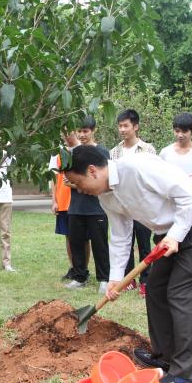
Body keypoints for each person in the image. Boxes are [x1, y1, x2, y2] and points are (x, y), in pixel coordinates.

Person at [62, 145, 192, 383]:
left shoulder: (137, 167)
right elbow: (120, 234)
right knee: (156, 289)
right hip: (167, 234)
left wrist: (177, 235)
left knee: (182, 294)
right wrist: (116, 278)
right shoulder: (105, 195)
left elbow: (188, 193)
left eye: (77, 182)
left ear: (92, 171)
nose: (78, 189)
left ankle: (185, 374)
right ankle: (165, 357)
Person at [109, 109, 157, 297]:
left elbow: (153, 175)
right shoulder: (115, 152)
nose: (122, 129)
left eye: (126, 126)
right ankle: (128, 280)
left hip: (143, 204)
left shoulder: (148, 149)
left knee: (144, 243)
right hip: (122, 203)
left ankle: (146, 280)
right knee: (124, 242)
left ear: (135, 127)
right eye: (120, 126)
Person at [63, 116, 110, 293]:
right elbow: (67, 179)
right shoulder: (72, 153)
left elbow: (103, 178)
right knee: (76, 242)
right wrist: (78, 183)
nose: (82, 135)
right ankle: (79, 276)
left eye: (86, 131)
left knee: (100, 244)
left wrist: (80, 183)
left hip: (97, 207)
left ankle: (104, 279)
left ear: (93, 131)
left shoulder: (102, 152)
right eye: (79, 131)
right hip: (76, 206)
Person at [49, 128, 80, 280]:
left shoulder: (82, 150)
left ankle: (83, 269)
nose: (65, 136)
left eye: (68, 132)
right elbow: (53, 177)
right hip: (62, 200)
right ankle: (74, 267)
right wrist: (54, 200)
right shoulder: (58, 152)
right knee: (68, 236)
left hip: (79, 200)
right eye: (63, 133)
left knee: (82, 238)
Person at [159, 112, 192, 188]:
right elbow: (159, 177)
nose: (180, 135)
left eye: (184, 131)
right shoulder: (165, 152)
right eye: (177, 131)